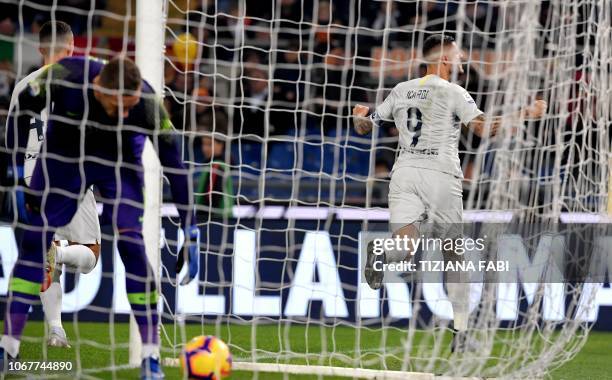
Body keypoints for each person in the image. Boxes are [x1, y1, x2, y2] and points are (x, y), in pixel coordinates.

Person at [1, 55, 198, 379]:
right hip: (65, 160)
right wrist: (18, 166)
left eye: (129, 105)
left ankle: (150, 358)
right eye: (117, 104)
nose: (124, 112)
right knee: (35, 239)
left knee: (132, 245)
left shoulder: (147, 102)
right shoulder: (68, 73)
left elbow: (175, 164)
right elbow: (23, 103)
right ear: (98, 87)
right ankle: (7, 348)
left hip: (119, 167)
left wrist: (191, 227)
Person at [352, 34, 546, 351]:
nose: (462, 58)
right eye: (458, 54)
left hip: (403, 172)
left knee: (404, 248)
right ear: (444, 59)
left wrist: (358, 117)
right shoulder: (454, 91)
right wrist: (526, 113)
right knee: (454, 254)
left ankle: (381, 254)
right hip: (440, 174)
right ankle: (461, 334)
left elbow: (365, 127)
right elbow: (484, 129)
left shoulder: (401, 89)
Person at [4, 20, 101, 349]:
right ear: (73, 48)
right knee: (89, 254)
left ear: (41, 48)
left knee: (48, 253)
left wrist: (17, 181)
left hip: (33, 177)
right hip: (72, 174)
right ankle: (58, 253)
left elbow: (12, 141)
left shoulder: (23, 86)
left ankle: (56, 330)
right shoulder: (86, 81)